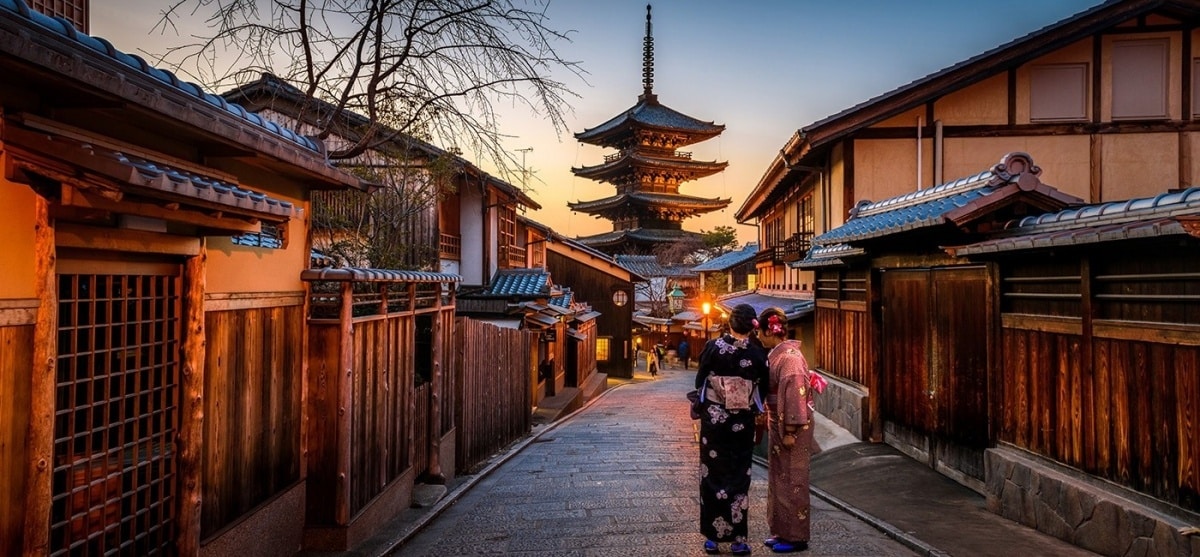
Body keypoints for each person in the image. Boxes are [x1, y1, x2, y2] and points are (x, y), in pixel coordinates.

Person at [694, 304, 769, 555]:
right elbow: (763, 386)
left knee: (712, 473)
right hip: (742, 421)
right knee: (739, 475)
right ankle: (739, 539)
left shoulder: (713, 347)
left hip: (715, 421)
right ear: (752, 326)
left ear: (730, 323)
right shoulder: (758, 352)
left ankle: (712, 538)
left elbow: (701, 378)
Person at [756, 307, 825, 554]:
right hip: (779, 421)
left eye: (759, 332)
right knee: (779, 477)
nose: (758, 337)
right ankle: (781, 530)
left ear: (768, 330)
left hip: (791, 425)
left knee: (793, 479)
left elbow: (795, 397)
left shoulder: (790, 359)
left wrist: (790, 430)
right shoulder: (779, 355)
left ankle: (796, 536)